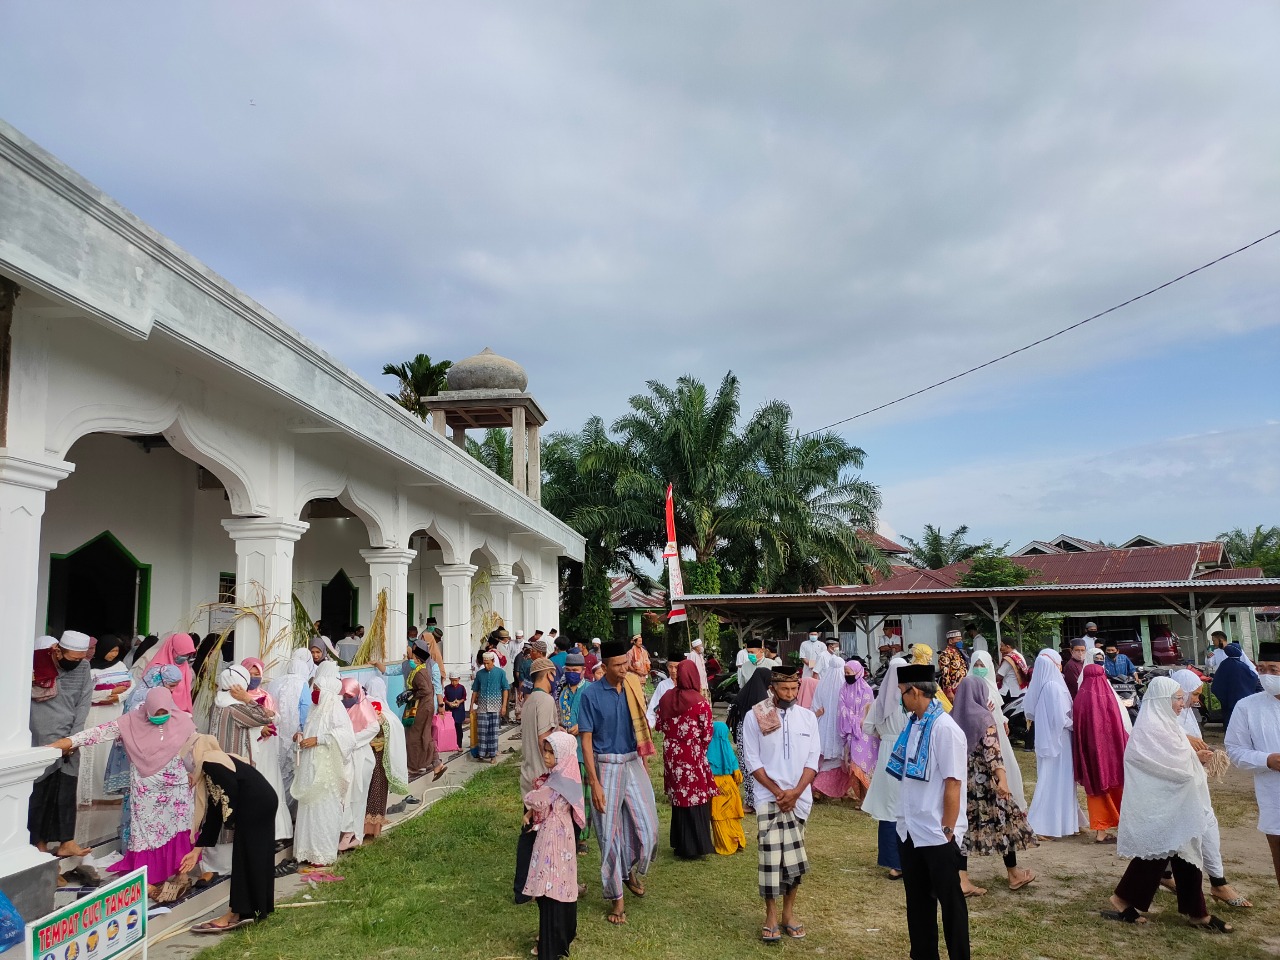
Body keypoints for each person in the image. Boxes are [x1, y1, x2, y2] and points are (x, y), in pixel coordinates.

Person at [1103, 677, 1233, 933]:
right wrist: (1191, 762)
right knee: (1160, 853)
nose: (1182, 704)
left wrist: (1196, 758)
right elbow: (1160, 766)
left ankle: (1196, 912)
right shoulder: (1151, 729)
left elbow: (1177, 760)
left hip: (1175, 803)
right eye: (1176, 699)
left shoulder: (1168, 726)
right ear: (1162, 700)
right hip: (1160, 804)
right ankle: (1125, 900)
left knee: (1182, 852)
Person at [52, 687, 196, 886]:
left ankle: (180, 873)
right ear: (148, 709)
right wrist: (69, 741)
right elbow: (99, 733)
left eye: (165, 712)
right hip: (146, 789)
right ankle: (147, 879)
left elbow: (195, 749)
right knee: (146, 833)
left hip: (178, 789)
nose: (162, 717)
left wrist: (195, 772)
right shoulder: (130, 722)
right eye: (157, 713)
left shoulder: (183, 721)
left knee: (180, 829)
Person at [890, 663, 971, 960]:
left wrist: (948, 830)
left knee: (951, 902)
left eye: (902, 693)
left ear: (914, 692)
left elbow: (953, 782)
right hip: (911, 828)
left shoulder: (945, 729)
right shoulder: (913, 724)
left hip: (938, 832)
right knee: (918, 902)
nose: (901, 699)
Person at [576, 639, 659, 925]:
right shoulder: (591, 695)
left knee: (649, 829)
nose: (625, 668)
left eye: (627, 663)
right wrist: (594, 782)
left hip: (633, 761)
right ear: (605, 665)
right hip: (606, 765)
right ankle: (617, 900)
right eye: (619, 665)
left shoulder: (634, 686)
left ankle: (627, 869)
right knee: (608, 836)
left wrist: (645, 766)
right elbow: (585, 742)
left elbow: (642, 732)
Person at [741, 665, 820, 944]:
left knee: (793, 862)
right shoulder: (756, 715)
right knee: (771, 860)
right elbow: (752, 760)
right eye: (784, 689)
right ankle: (771, 915)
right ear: (772, 688)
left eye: (794, 689)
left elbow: (813, 760)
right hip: (768, 798)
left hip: (799, 801)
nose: (790, 694)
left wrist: (796, 793)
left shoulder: (808, 718)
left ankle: (788, 914)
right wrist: (777, 791)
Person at [182, 734, 279, 933]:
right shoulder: (218, 760)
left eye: (189, 758)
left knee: (244, 858)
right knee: (257, 856)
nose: (190, 764)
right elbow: (215, 812)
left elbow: (228, 795)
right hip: (263, 802)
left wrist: (232, 819)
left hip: (254, 807)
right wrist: (196, 851)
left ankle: (235, 913)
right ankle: (257, 908)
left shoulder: (211, 763)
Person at [949, 676, 1037, 896]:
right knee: (1005, 823)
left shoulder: (951, 717)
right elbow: (992, 753)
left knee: (963, 828)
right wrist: (1003, 781)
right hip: (987, 784)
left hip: (961, 784)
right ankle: (1014, 874)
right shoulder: (983, 718)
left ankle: (961, 878)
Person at [28, 630, 95, 857]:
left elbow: (84, 702)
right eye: (72, 658)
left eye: (80, 659)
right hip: (41, 740)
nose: (76, 663)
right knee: (40, 793)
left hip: (70, 739)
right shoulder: (36, 666)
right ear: (58, 650)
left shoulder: (83, 668)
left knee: (66, 790)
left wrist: (74, 738)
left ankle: (66, 841)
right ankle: (39, 846)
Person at [522, 731, 584, 960]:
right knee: (559, 885)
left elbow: (538, 799)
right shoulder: (567, 775)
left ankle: (550, 945)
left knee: (550, 887)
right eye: (545, 751)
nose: (546, 757)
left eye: (551, 752)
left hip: (553, 837)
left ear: (564, 755)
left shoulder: (558, 781)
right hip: (562, 834)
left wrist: (530, 797)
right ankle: (558, 938)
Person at [1225, 641, 1280, 893]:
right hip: (1274, 796)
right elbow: (1235, 751)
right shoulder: (1247, 707)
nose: (1266, 675)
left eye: (1274, 669)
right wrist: (1266, 760)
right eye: (1262, 669)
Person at [292, 664, 356, 868]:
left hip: (326, 767)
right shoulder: (315, 707)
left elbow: (348, 737)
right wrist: (302, 735)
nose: (315, 692)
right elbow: (309, 729)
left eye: (319, 688)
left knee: (323, 808)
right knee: (309, 807)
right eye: (315, 688)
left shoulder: (335, 706)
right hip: (310, 765)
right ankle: (307, 850)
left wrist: (319, 739)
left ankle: (322, 852)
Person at [655, 660, 716, 859]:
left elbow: (659, 724)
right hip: (692, 752)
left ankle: (681, 844)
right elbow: (707, 732)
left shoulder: (666, 697)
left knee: (679, 798)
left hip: (672, 752)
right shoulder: (699, 701)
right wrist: (698, 748)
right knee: (695, 797)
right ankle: (697, 845)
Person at [514, 657, 559, 903]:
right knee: (540, 835)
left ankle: (524, 888)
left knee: (529, 831)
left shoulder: (530, 701)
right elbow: (545, 739)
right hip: (543, 777)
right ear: (548, 675)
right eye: (554, 674)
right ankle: (532, 887)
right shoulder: (546, 700)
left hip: (528, 774)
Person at [1023, 650, 1078, 839]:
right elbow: (1061, 719)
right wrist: (1077, 725)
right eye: (1058, 663)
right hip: (1059, 740)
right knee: (1053, 780)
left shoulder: (1047, 686)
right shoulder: (1053, 687)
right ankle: (1040, 825)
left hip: (1056, 739)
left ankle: (1062, 822)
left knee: (1057, 780)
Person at [863, 656, 908, 879]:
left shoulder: (881, 700)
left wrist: (883, 733)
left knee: (890, 806)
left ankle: (894, 863)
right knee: (908, 803)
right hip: (908, 751)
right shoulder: (911, 697)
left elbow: (867, 727)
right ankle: (909, 859)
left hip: (888, 752)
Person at [1073, 663, 1128, 843]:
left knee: (1096, 787)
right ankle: (1124, 825)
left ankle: (1101, 831)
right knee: (1117, 784)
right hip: (1111, 753)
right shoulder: (1107, 695)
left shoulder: (1080, 697)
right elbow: (1118, 725)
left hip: (1090, 753)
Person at [965, 652, 1026, 809]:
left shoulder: (991, 685)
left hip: (997, 731)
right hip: (979, 734)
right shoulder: (967, 685)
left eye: (982, 665)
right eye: (976, 665)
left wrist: (1003, 720)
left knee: (1003, 764)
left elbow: (997, 709)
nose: (979, 668)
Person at [82, 635, 133, 802]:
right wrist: (109, 693)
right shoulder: (90, 669)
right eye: (110, 651)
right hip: (97, 715)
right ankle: (94, 792)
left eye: (116, 651)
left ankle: (112, 793)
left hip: (115, 712)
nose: (113, 654)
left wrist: (118, 697)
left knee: (111, 750)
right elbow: (86, 693)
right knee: (96, 750)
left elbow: (131, 685)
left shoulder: (120, 665)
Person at [362, 675, 409, 839]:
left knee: (367, 790)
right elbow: (394, 729)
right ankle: (373, 829)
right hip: (380, 757)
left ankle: (362, 827)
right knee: (377, 789)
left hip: (366, 755)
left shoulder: (364, 706)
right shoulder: (385, 710)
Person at [267, 648, 315, 804]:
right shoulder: (302, 684)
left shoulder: (274, 682)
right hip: (292, 734)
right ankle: (284, 810)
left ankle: (272, 804)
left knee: (274, 769)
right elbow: (305, 709)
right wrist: (303, 730)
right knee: (290, 772)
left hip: (273, 732)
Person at [338, 678, 379, 851]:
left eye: (350, 695)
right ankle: (350, 832)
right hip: (345, 757)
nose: (346, 698)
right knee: (346, 794)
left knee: (356, 796)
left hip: (361, 758)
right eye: (344, 695)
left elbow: (373, 728)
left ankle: (353, 834)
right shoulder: (341, 708)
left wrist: (351, 741)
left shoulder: (364, 710)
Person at [557, 652, 592, 846]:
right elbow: (559, 715)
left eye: (575, 671)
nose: (571, 674)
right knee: (568, 794)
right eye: (568, 670)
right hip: (566, 753)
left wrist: (583, 725)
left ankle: (582, 837)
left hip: (583, 751)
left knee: (584, 796)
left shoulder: (589, 690)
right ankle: (567, 831)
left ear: (583, 671)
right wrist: (560, 726)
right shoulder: (562, 692)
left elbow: (598, 718)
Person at [728, 667, 772, 816]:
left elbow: (731, 713)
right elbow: (770, 727)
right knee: (759, 769)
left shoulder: (743, 694)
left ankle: (750, 801)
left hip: (743, 739)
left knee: (748, 768)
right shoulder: (764, 700)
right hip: (759, 741)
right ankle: (757, 801)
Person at [811, 651, 852, 800]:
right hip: (840, 726)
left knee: (823, 758)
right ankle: (827, 787)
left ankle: (819, 788)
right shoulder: (846, 686)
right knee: (839, 757)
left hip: (823, 726)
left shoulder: (822, 683)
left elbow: (815, 706)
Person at [405, 636, 447, 779]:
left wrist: (412, 695)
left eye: (414, 656)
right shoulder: (422, 669)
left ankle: (415, 766)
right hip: (427, 706)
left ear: (417, 658)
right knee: (425, 735)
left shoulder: (420, 672)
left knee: (413, 736)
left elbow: (427, 690)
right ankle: (435, 763)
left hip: (422, 707)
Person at [837, 660, 878, 802]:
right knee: (854, 766)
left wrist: (857, 720)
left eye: (849, 673)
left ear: (858, 673)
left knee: (862, 765)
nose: (846, 676)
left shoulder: (866, 689)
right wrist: (853, 720)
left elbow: (867, 711)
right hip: (852, 732)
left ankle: (866, 799)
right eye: (845, 673)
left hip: (864, 734)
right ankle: (860, 798)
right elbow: (841, 708)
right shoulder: (844, 688)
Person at [707, 721, 745, 855]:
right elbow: (739, 778)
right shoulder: (729, 752)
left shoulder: (708, 753)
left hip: (715, 787)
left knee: (719, 816)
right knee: (732, 815)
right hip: (729, 786)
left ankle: (725, 844)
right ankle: (737, 840)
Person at [471, 649, 511, 764]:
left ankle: (493, 755)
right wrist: (471, 705)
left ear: (493, 661)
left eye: (488, 663)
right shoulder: (479, 674)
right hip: (482, 707)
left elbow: (505, 689)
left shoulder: (500, 673)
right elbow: (475, 690)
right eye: (484, 663)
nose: (486, 665)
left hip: (495, 706)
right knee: (482, 732)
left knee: (493, 732)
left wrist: (503, 706)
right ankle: (482, 754)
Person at [1212, 643, 1263, 732]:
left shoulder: (1223, 665)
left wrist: (1224, 699)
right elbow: (1254, 679)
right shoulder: (1243, 666)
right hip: (1243, 701)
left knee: (1230, 725)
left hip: (1227, 704)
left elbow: (1216, 685)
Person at [147, 633, 198, 713]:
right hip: (161, 715)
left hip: (181, 715)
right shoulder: (157, 670)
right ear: (172, 649)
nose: (185, 657)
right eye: (182, 654)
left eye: (187, 654)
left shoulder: (185, 668)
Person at [1172, 669, 1207, 739]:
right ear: (1184, 692)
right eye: (1195, 694)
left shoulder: (1187, 711)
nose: (1197, 700)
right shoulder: (1168, 716)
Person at [645, 660, 676, 729]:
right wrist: (648, 725)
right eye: (670, 667)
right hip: (669, 726)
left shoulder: (687, 685)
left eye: (676, 667)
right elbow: (653, 706)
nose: (673, 670)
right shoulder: (662, 685)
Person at [938, 630, 968, 702]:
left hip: (963, 687)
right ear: (950, 641)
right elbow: (945, 673)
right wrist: (949, 691)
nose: (960, 641)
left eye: (961, 639)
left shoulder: (960, 652)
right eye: (958, 639)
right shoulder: (945, 654)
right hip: (953, 688)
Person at [443, 671, 469, 751]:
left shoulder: (461, 688)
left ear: (459, 679)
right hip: (450, 711)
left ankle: (459, 744)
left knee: (458, 728)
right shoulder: (447, 688)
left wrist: (459, 702)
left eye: (456, 680)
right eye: (452, 680)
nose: (454, 682)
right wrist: (449, 703)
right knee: (450, 728)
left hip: (459, 710)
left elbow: (464, 697)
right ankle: (451, 744)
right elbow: (444, 698)